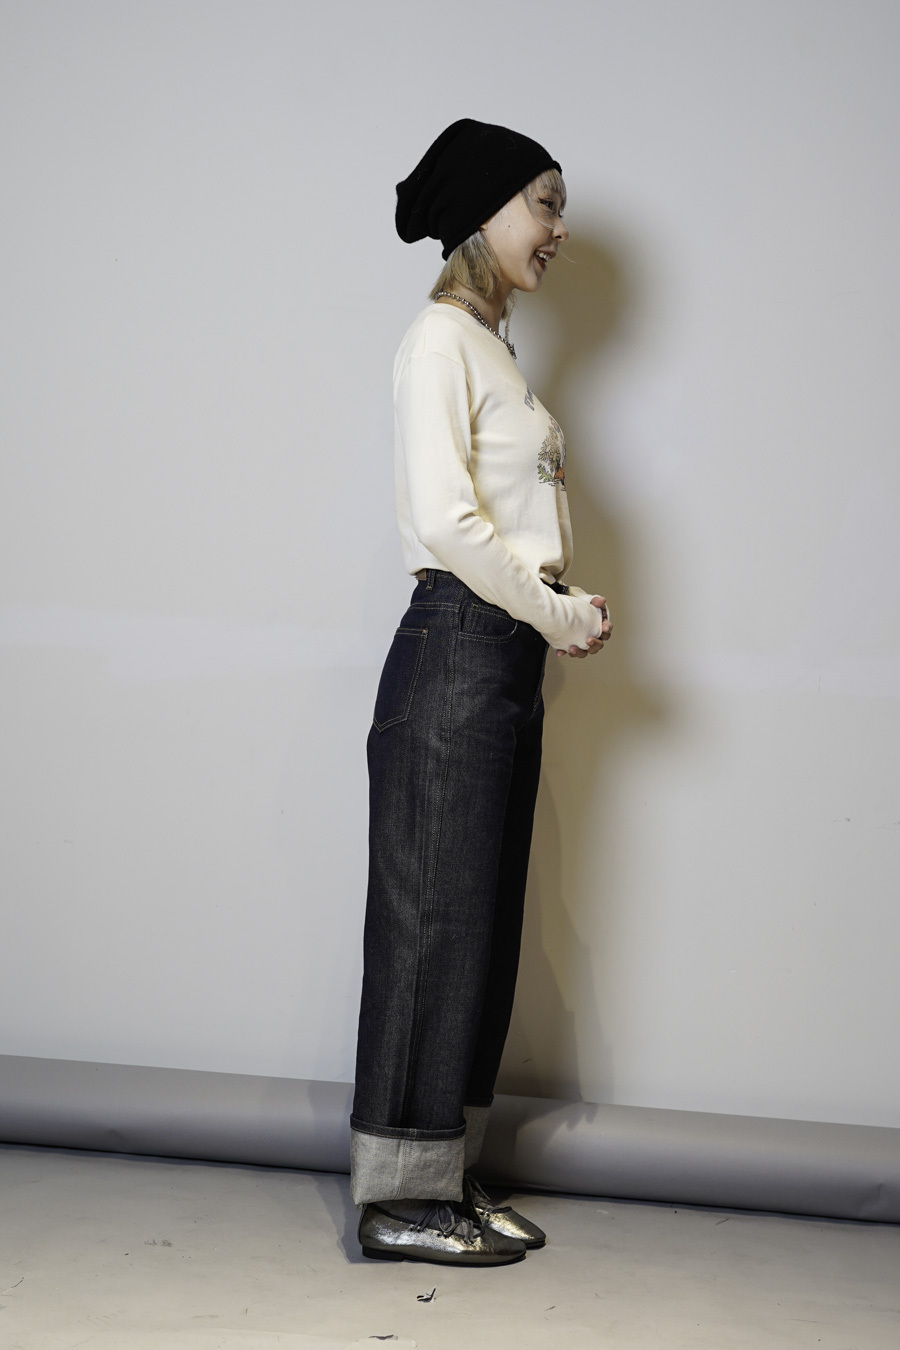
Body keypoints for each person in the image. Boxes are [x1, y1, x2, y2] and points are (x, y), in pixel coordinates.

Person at [350, 119, 612, 1266]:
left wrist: (558, 602)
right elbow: (450, 524)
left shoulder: (494, 349)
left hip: (499, 655)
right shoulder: (439, 342)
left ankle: (444, 1176)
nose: (558, 228)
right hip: (459, 646)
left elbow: (510, 519)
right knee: (431, 925)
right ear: (486, 210)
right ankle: (399, 1199)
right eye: (544, 203)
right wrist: (556, 612)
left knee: (479, 926)